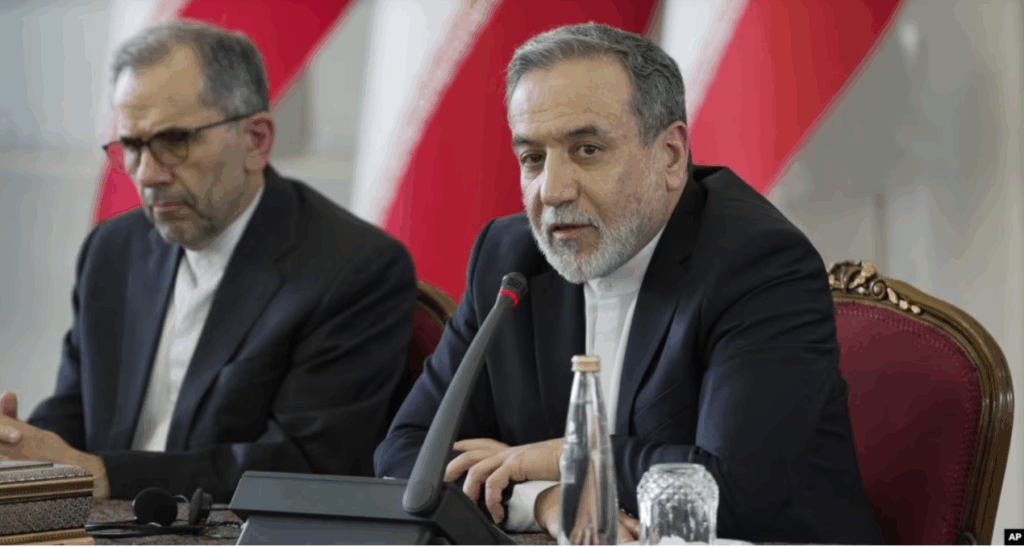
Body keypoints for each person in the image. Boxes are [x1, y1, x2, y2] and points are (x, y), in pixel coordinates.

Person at [375, 22, 883, 544]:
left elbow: (734, 492)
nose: (553, 190)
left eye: (587, 149)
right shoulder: (511, 259)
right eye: (533, 158)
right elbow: (406, 452)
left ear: (670, 155)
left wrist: (563, 458)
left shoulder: (757, 264)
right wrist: (546, 500)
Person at [0, 21, 417, 503]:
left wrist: (105, 475)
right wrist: (24, 448)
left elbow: (303, 465)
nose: (148, 174)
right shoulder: (112, 250)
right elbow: (75, 413)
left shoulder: (355, 268)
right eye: (132, 146)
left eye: (174, 140)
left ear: (256, 140)